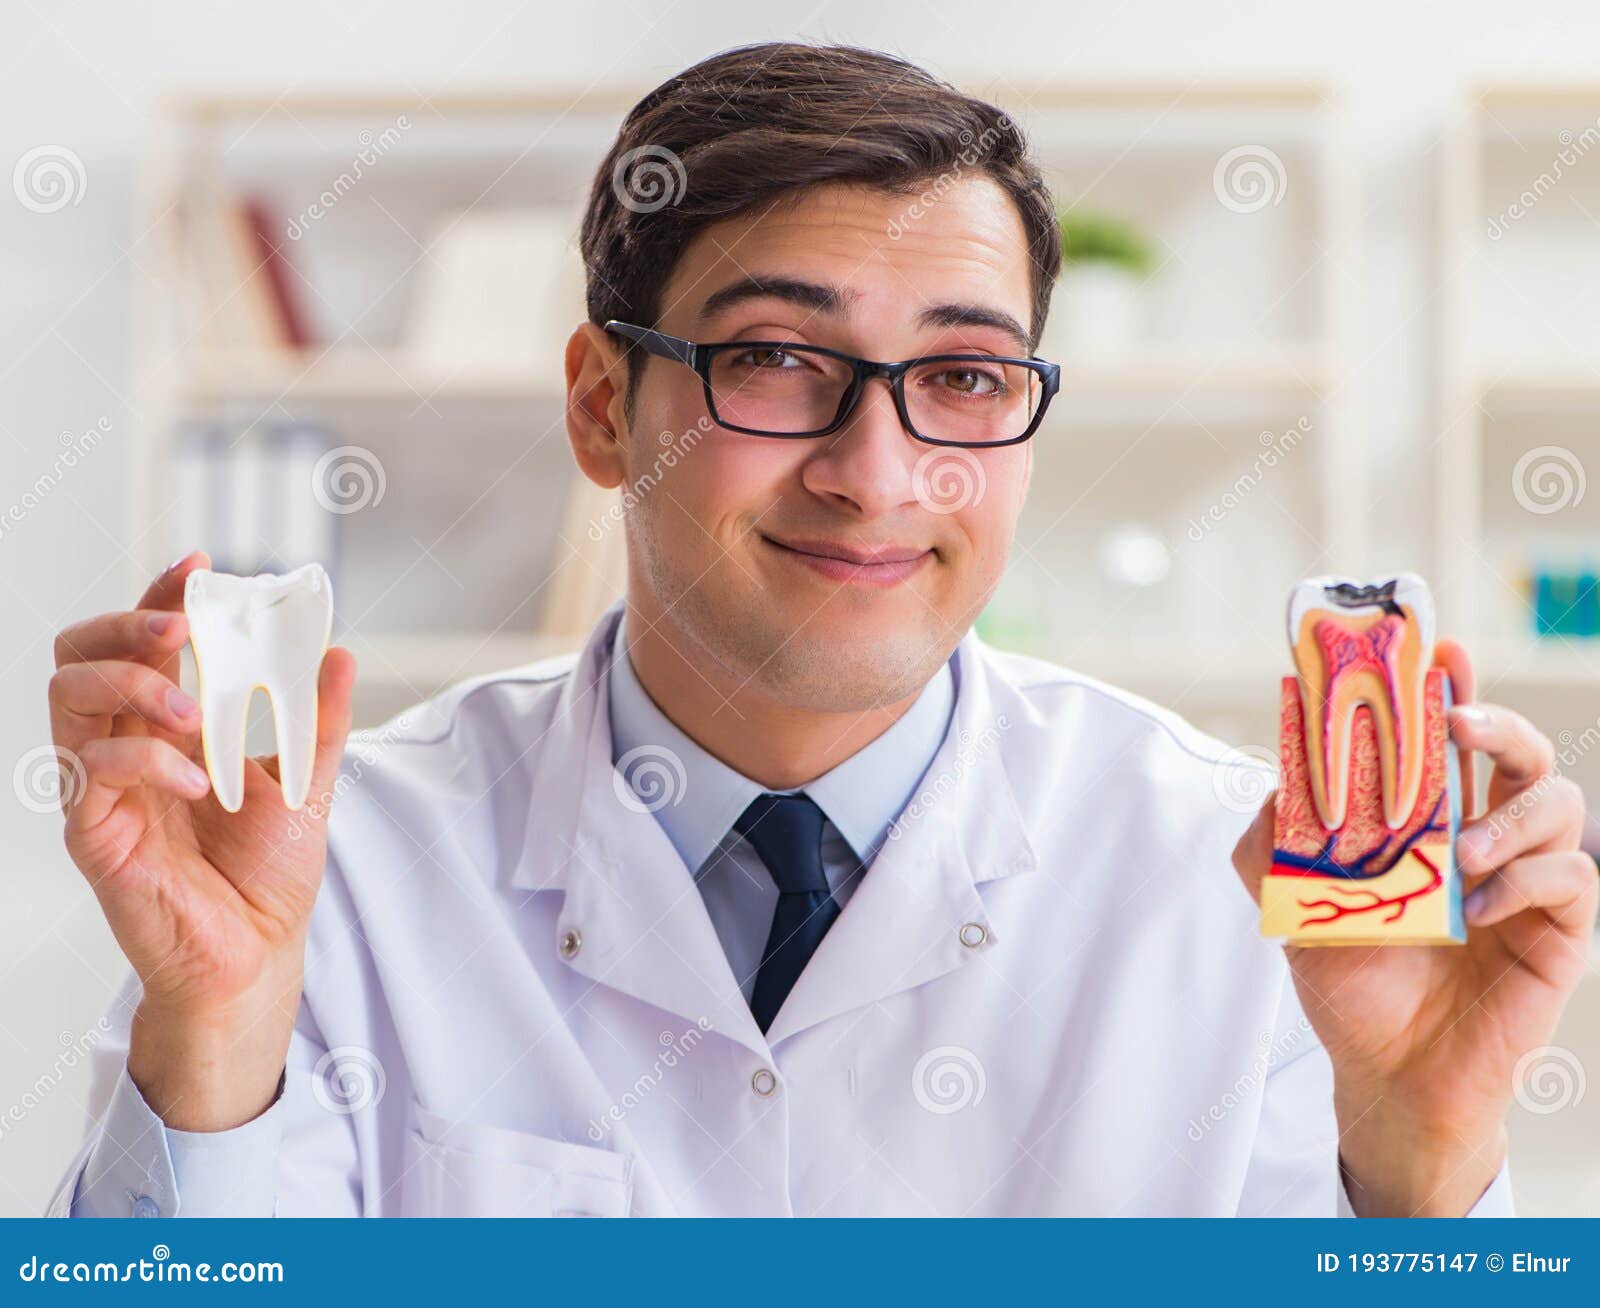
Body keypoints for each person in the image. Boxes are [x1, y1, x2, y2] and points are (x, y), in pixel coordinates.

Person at [46, 42, 1594, 1217]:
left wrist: (1422, 1157)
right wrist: (219, 1028)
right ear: (603, 406)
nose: (876, 473)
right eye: (779, 360)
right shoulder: (329, 871)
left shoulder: (1248, 885)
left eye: (965, 377)